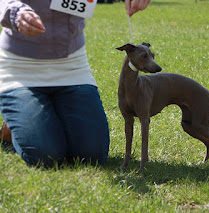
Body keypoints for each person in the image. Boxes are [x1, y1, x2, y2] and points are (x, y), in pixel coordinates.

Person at [0, 0, 151, 167]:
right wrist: (15, 12)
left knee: (92, 155)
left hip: (71, 68)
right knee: (45, 155)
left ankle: (44, 113)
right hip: (21, 70)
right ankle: (13, 125)